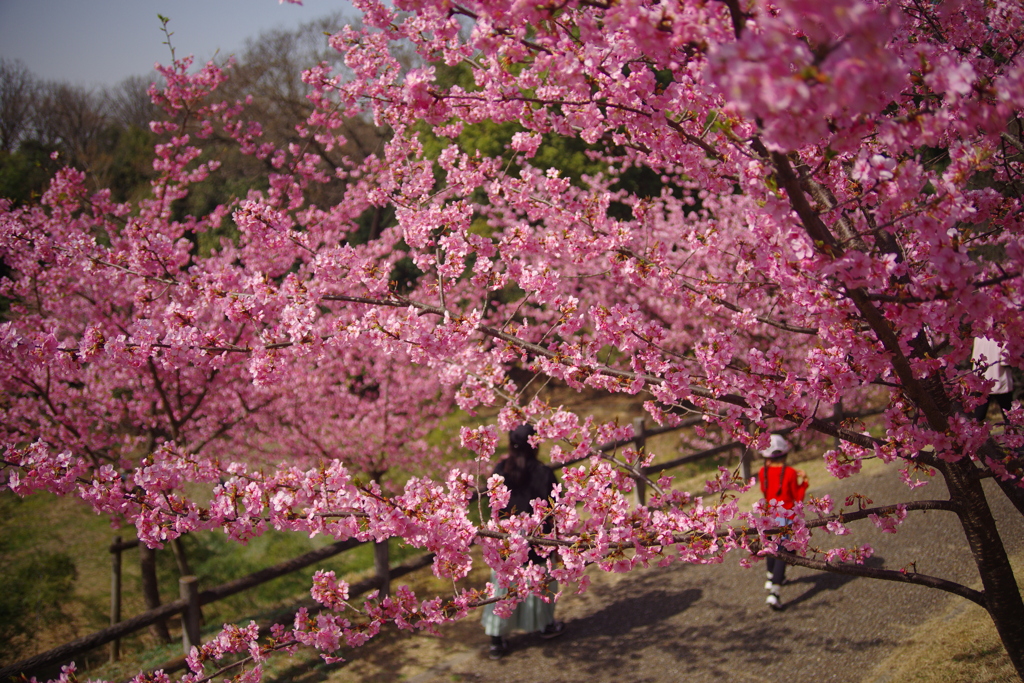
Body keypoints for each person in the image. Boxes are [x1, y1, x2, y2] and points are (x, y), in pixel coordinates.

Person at [481, 423, 564, 659]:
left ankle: (497, 638)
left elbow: (493, 507)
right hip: (537, 541)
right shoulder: (544, 472)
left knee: (503, 585)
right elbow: (554, 511)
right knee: (540, 583)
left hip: (507, 542)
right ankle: (545, 625)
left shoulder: (499, 470)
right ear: (535, 445)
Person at [757, 434, 808, 611]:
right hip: (786, 518)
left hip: (769, 515)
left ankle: (770, 577)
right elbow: (797, 498)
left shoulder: (762, 472)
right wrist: (804, 482)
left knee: (771, 546)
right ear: (785, 454)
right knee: (783, 552)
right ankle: (775, 592)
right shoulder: (791, 473)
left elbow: (764, 491)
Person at [972, 336, 1015, 421]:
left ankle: (974, 433)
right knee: (1009, 417)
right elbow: (1005, 361)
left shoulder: (978, 337)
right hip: (1000, 380)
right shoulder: (1004, 338)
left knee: (978, 417)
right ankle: (1011, 433)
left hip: (981, 381)